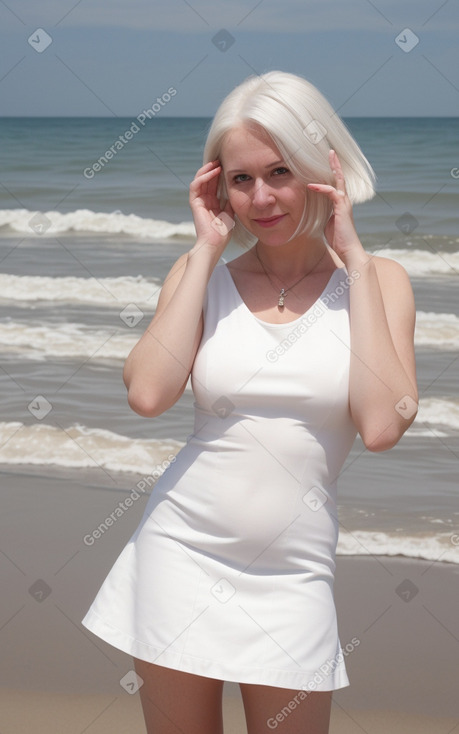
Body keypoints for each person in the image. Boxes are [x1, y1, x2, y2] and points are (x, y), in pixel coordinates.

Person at [82, 71, 418, 734]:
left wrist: (350, 256)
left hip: (293, 575)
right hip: (178, 554)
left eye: (279, 172)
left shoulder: (379, 283)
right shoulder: (199, 275)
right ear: (217, 186)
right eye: (240, 180)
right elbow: (148, 394)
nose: (260, 198)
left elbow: (382, 425)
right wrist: (206, 248)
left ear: (326, 169)